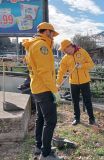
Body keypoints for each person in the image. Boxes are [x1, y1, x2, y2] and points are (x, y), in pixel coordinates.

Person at [23, 22, 61, 160]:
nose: (53, 37)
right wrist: (54, 91)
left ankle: (39, 146)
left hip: (37, 87)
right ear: (46, 32)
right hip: (44, 88)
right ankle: (46, 154)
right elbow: (45, 72)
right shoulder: (42, 46)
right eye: (52, 34)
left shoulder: (32, 44)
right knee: (50, 121)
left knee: (40, 118)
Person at [57, 39, 95, 126]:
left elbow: (91, 64)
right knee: (75, 101)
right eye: (63, 50)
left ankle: (92, 119)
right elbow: (61, 72)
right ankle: (76, 118)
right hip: (73, 82)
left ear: (70, 46)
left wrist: (82, 66)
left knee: (87, 101)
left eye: (65, 50)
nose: (64, 51)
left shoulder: (82, 52)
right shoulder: (65, 58)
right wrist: (58, 83)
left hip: (84, 81)